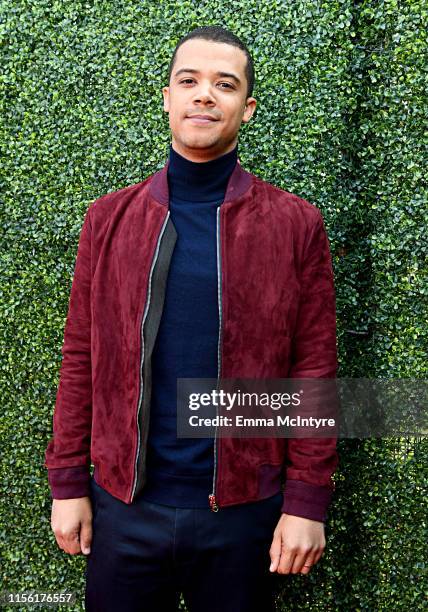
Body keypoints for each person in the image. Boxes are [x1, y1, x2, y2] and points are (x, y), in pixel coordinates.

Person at [44, 25, 339, 612]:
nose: (205, 94)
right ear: (168, 98)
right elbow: (82, 354)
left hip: (242, 514)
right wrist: (68, 483)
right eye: (190, 81)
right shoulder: (108, 220)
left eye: (224, 84)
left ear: (246, 108)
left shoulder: (294, 223)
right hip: (123, 510)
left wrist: (306, 500)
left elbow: (314, 369)